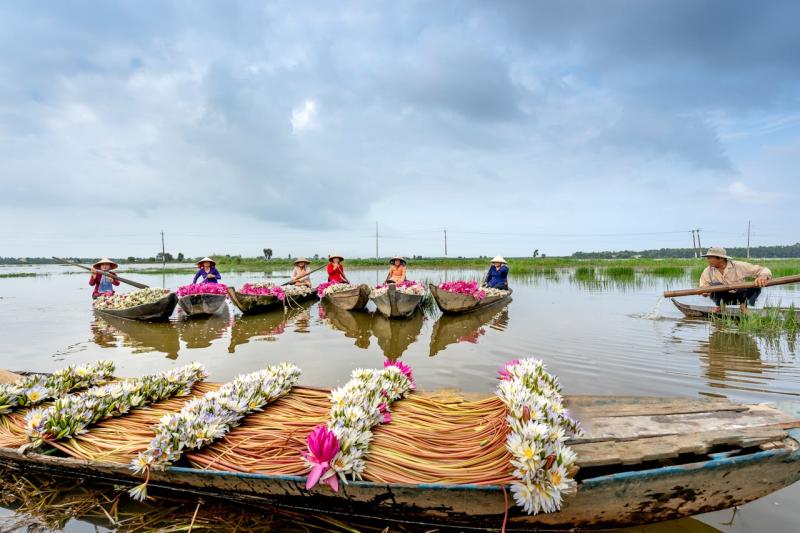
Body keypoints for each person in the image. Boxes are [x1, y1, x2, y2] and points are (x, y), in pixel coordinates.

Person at [699, 246, 771, 309]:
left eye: (710, 258)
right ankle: (720, 307)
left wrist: (763, 276)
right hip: (724, 299)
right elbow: (703, 286)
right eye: (707, 258)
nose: (707, 260)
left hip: (741, 296)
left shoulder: (738, 266)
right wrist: (705, 292)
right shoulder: (708, 270)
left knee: (755, 285)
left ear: (720, 258)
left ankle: (744, 306)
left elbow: (763, 269)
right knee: (715, 285)